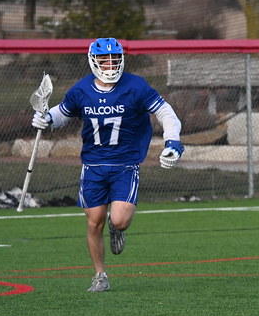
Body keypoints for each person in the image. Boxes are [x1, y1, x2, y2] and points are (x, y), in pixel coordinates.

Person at [30, 37, 184, 292]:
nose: (110, 65)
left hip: (125, 165)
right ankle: (100, 274)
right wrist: (46, 119)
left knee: (120, 220)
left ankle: (117, 229)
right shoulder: (81, 90)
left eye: (114, 59)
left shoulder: (136, 86)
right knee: (94, 222)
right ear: (94, 61)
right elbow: (62, 113)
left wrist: (173, 142)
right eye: (104, 60)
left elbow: (165, 112)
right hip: (93, 166)